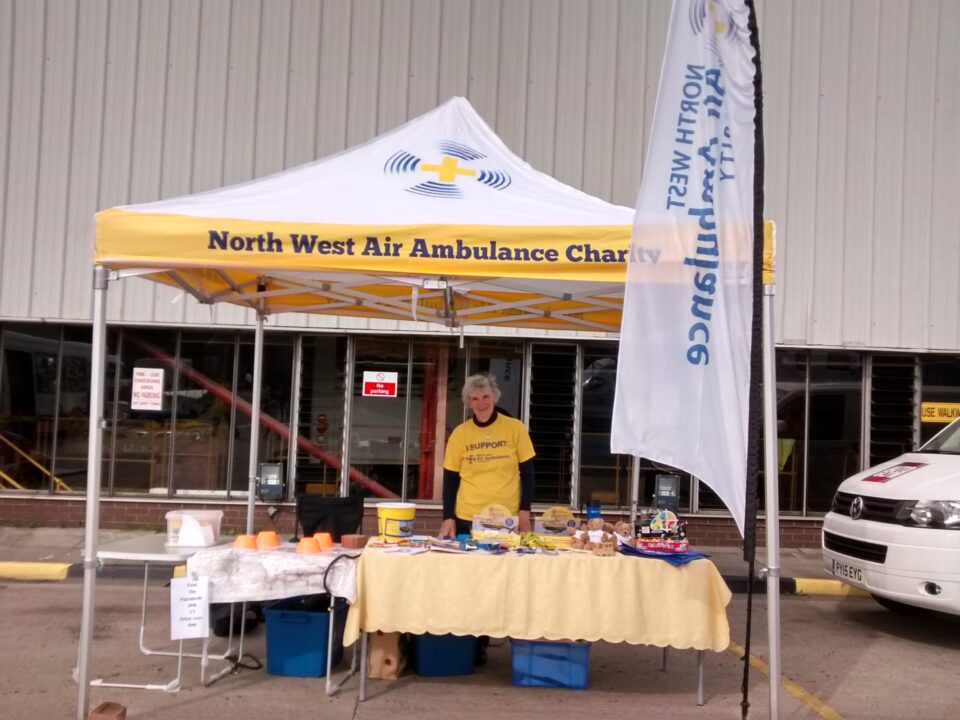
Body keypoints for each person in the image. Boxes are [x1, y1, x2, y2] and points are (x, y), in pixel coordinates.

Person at [440, 374, 536, 539]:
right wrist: (448, 517)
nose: (481, 403)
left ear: (495, 397)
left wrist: (525, 512)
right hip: (467, 518)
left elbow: (528, 474)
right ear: (469, 403)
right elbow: (450, 478)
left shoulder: (515, 428)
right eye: (475, 399)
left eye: (486, 397)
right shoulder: (459, 434)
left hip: (506, 518)